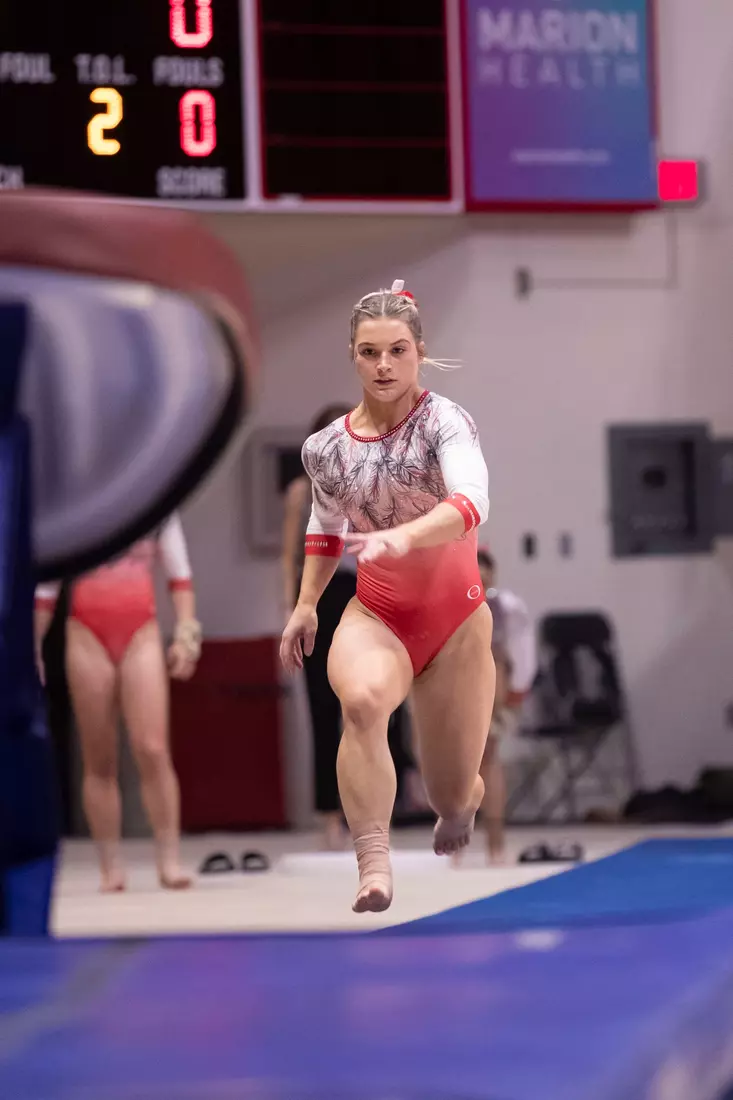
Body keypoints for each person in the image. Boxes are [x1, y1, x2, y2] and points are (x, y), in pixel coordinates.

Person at [280, 280, 495, 914]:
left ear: (419, 352)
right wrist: (304, 604)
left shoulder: (445, 422)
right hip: (378, 613)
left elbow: (472, 502)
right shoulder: (325, 449)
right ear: (352, 354)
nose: (384, 366)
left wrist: (405, 535)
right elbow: (325, 528)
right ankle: (372, 861)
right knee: (364, 703)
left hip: (456, 620)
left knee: (451, 790)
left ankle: (459, 804)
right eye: (370, 352)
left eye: (397, 351)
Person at [34, 514, 201, 893]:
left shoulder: (157, 507)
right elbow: (46, 588)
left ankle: (169, 860)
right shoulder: (81, 506)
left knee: (153, 748)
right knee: (99, 757)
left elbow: (180, 575)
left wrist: (187, 633)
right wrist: (34, 649)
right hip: (85, 633)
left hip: (139, 630)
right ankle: (110, 865)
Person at [282, 404, 356, 850]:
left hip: (361, 591)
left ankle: (365, 808)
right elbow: (289, 557)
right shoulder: (300, 492)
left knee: (363, 705)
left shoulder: (366, 483)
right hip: (318, 595)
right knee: (322, 708)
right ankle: (330, 813)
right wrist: (289, 609)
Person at [474, 547, 537, 863]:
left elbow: (522, 650)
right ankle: (457, 842)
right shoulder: (443, 602)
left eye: (486, 566)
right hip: (454, 686)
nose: (481, 573)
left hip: (493, 688)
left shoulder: (506, 606)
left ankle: (495, 840)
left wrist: (517, 690)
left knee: (488, 757)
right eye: (475, 566)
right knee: (455, 767)